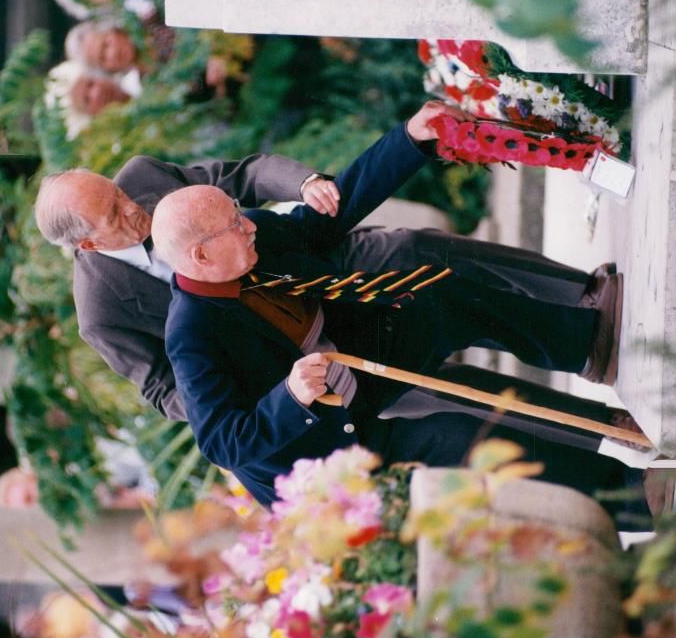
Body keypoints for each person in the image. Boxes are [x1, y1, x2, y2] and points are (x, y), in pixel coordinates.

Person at [152, 105, 669, 524]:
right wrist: (289, 396)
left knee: (440, 299)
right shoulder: (190, 334)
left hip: (357, 361)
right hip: (323, 449)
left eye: (240, 216)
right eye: (234, 226)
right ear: (201, 257)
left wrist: (413, 138)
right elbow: (222, 441)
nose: (249, 227)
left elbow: (329, 217)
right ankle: (638, 497)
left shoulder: (252, 239)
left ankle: (587, 347)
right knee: (459, 437)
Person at [35, 152, 340, 418]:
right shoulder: (100, 314)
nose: (130, 206)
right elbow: (165, 392)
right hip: (295, 369)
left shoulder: (144, 175)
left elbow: (244, 175)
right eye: (114, 214)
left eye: (117, 193)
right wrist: (256, 393)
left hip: (321, 272)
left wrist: (305, 184)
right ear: (88, 244)